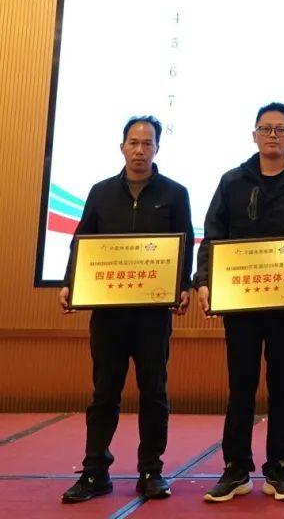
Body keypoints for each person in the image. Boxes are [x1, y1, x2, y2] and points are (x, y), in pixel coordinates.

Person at [194, 102, 284, 503]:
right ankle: (236, 469)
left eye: (281, 129)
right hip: (240, 302)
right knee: (240, 386)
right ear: (253, 134)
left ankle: (279, 468)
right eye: (266, 128)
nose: (273, 136)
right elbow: (213, 235)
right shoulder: (233, 181)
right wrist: (204, 281)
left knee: (282, 387)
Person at [58, 116, 194, 504]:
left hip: (153, 315)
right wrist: (70, 283)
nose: (139, 150)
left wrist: (183, 286)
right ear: (122, 147)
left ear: (157, 149)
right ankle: (94, 471)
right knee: (104, 393)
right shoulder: (101, 192)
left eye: (147, 143)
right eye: (133, 143)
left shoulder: (175, 193)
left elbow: (184, 244)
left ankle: (151, 470)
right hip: (109, 314)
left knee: (154, 393)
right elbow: (82, 241)